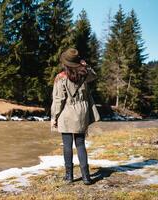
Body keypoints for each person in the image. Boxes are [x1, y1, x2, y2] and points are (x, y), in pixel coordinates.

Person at [50, 48, 100, 185]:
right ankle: (86, 177)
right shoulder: (85, 74)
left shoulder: (60, 78)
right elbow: (94, 75)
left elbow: (59, 99)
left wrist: (54, 116)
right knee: (80, 144)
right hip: (82, 113)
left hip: (67, 113)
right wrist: (86, 65)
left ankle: (69, 176)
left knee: (67, 145)